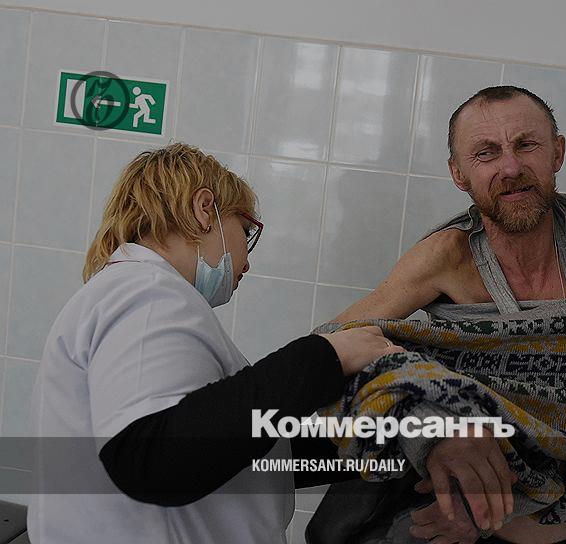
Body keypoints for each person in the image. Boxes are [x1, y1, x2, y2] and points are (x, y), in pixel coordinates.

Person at [27, 143, 404, 544]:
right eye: (245, 231)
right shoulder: (147, 293)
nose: (247, 261)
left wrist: (384, 443)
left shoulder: (135, 294)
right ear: (204, 209)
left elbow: (226, 448)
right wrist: (324, 356)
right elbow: (151, 459)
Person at [333, 86, 566, 544]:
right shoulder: (446, 255)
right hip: (460, 527)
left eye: (526, 144)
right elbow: (328, 351)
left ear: (557, 152)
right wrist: (440, 428)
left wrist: (475, 406)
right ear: (459, 174)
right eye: (486, 153)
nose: (511, 168)